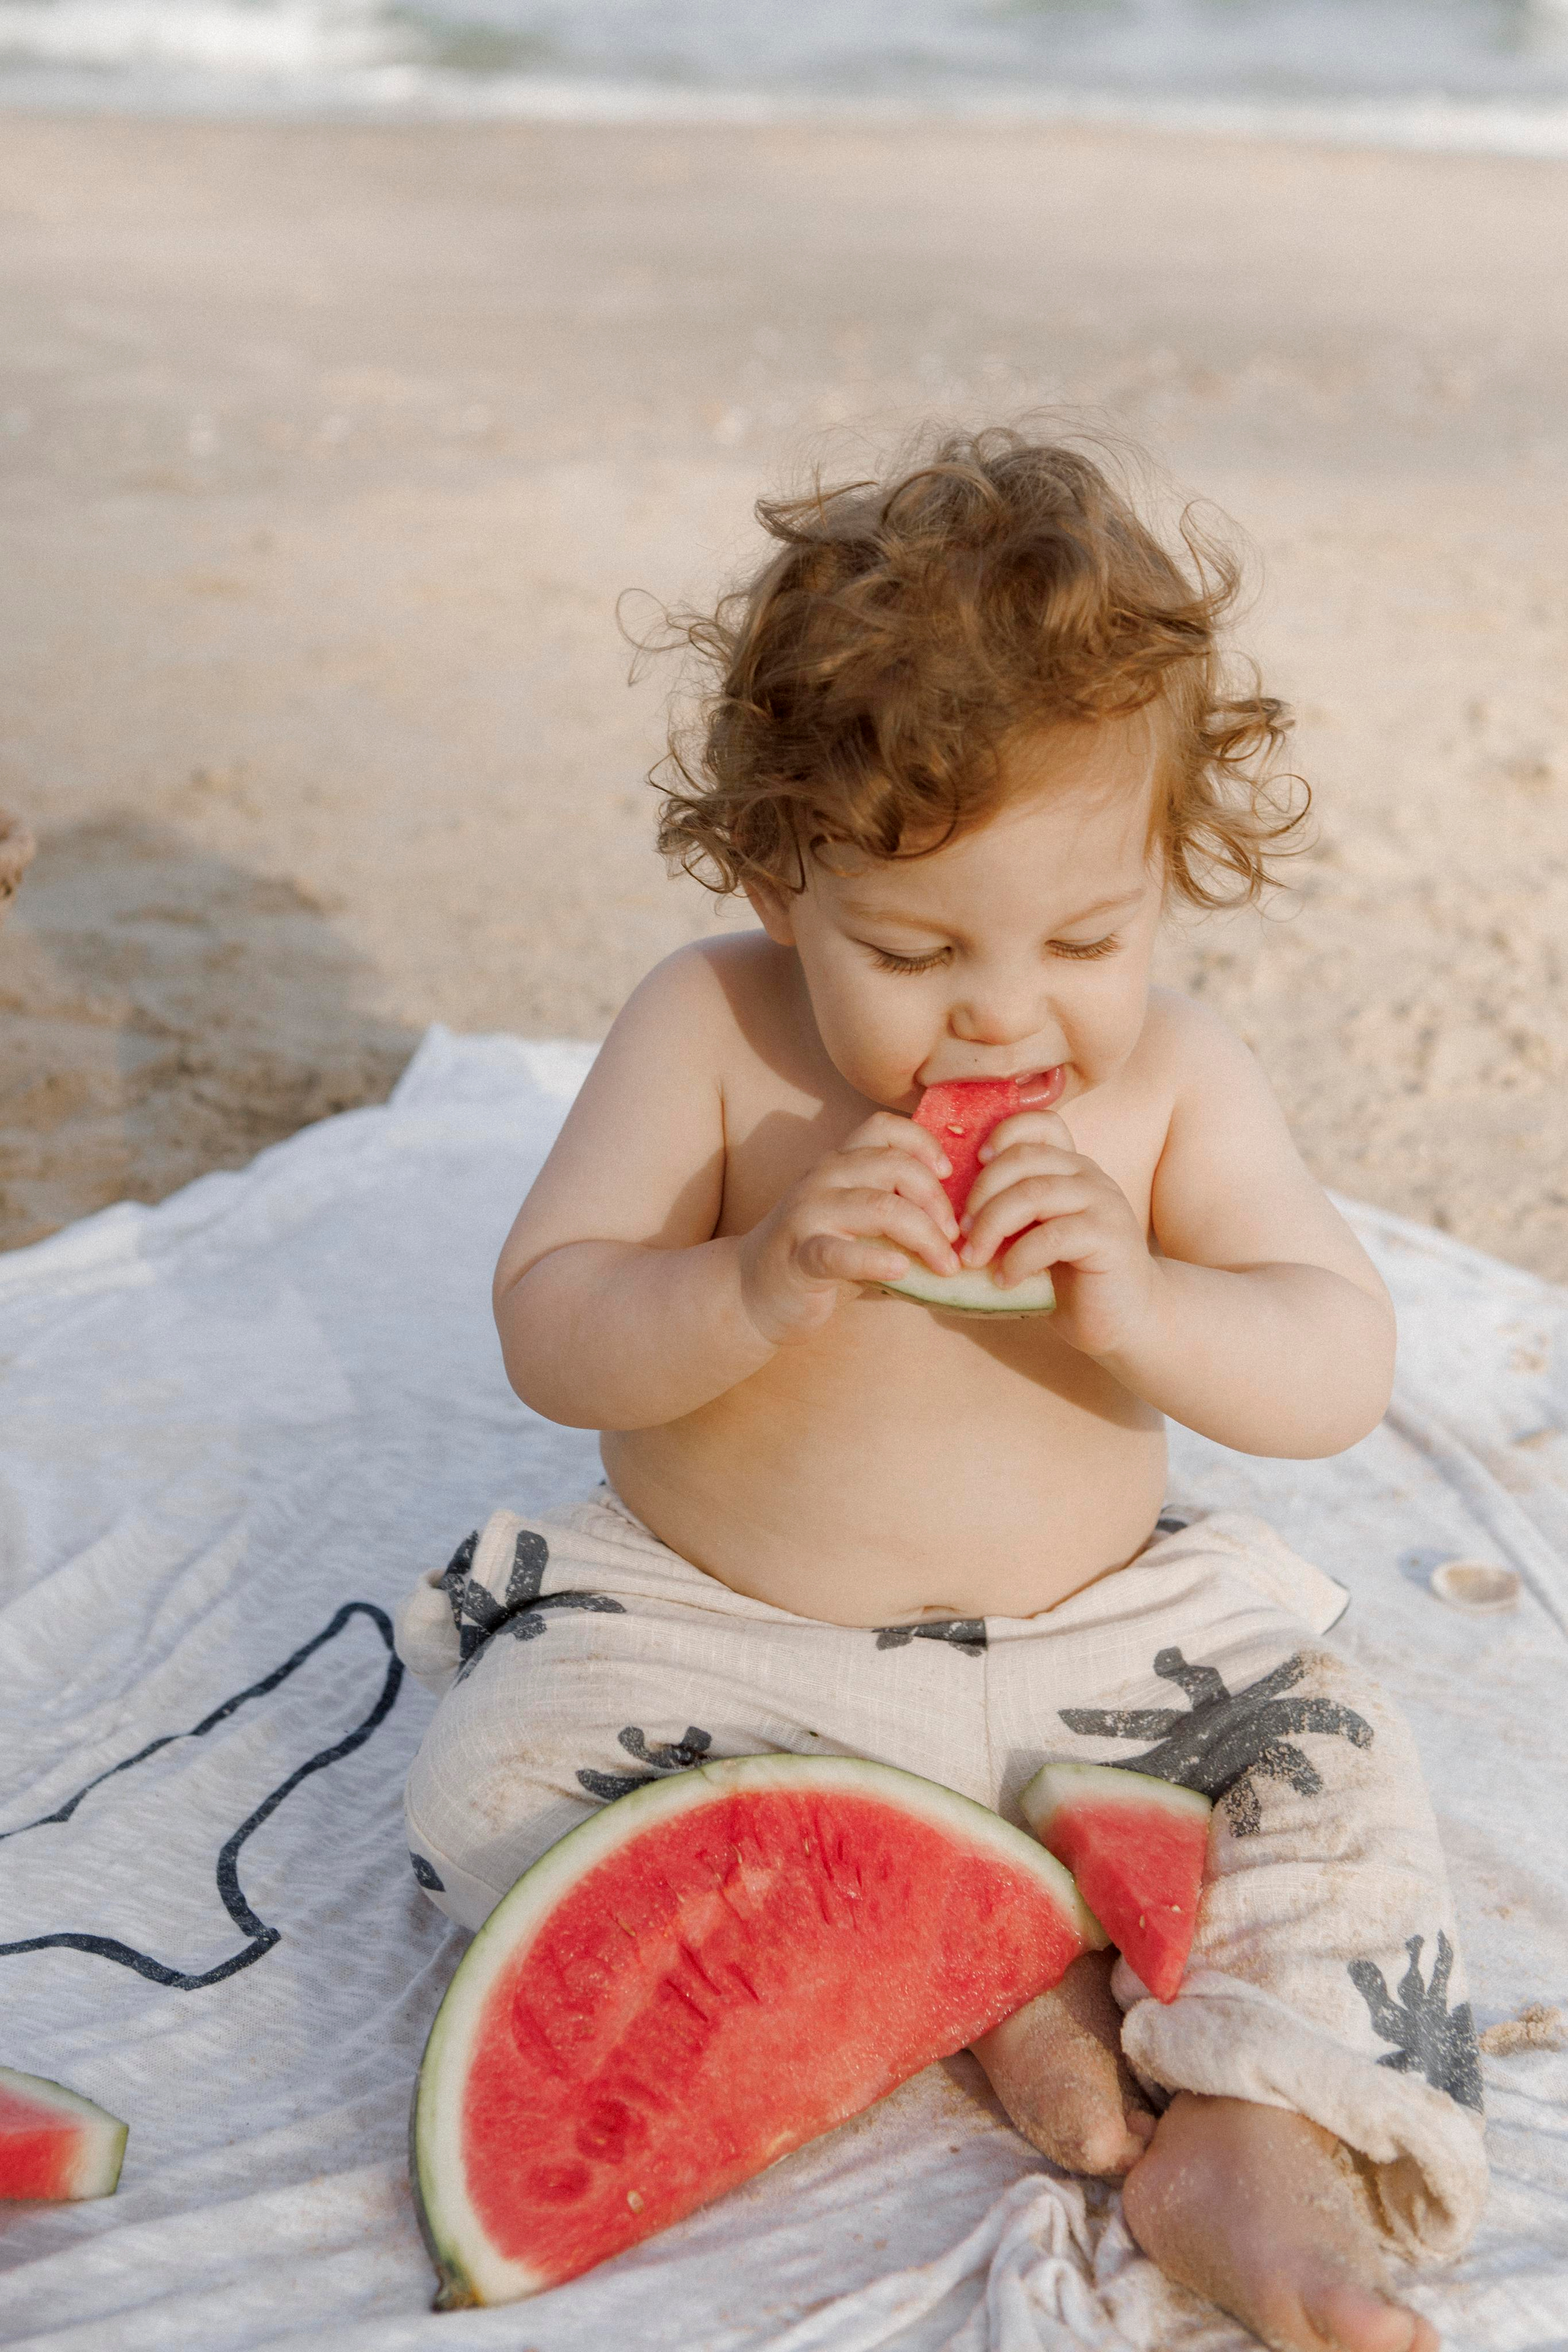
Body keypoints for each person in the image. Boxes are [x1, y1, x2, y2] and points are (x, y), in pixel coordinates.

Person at [396, 431, 1485, 2352]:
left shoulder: (1177, 1084)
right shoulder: (708, 1031)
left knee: (1348, 1772)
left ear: (1167, 882)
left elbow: (1336, 1361)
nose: (1002, 1009)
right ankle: (998, 1975)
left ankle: (1254, 2137)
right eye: (913, 950)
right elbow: (551, 1323)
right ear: (777, 876)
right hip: (724, 1645)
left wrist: (1145, 1303)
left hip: (1114, 1655)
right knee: (483, 1782)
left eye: (1087, 939)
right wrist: (750, 1281)